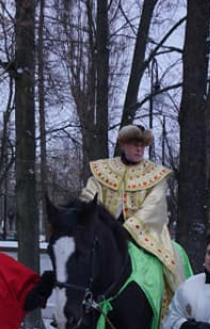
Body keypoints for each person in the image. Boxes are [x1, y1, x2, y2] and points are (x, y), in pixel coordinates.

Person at [80, 123, 187, 299]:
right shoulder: (102, 171)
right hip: (104, 233)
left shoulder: (156, 175)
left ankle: (174, 306)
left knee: (171, 266)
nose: (139, 149)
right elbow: (89, 198)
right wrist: (98, 225)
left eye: (142, 145)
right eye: (134, 144)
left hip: (145, 234)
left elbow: (153, 206)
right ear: (123, 145)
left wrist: (127, 229)